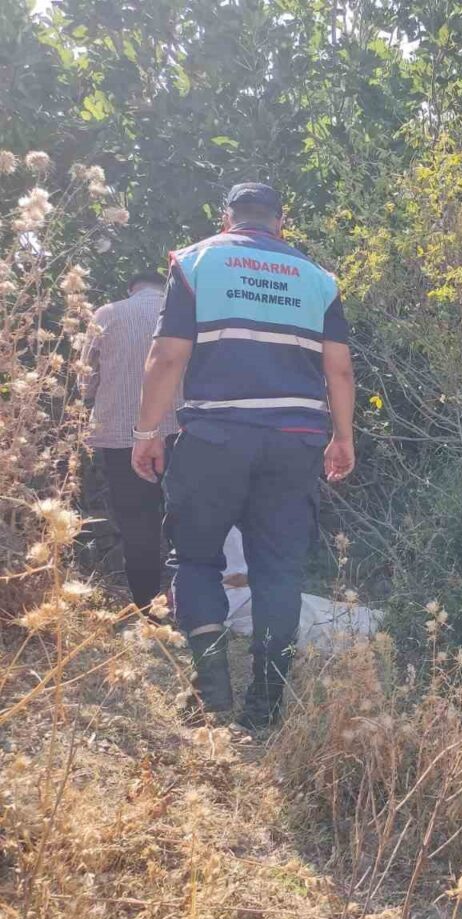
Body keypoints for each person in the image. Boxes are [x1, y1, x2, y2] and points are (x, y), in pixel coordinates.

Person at [131, 182, 356, 728]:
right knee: (279, 572)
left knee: (197, 560)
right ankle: (266, 705)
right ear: (282, 221)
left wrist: (147, 432)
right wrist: (343, 437)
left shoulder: (196, 263)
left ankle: (212, 690)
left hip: (215, 439)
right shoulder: (318, 279)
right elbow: (340, 369)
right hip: (295, 442)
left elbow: (167, 357)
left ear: (226, 217)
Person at [79, 271, 180, 614]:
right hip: (181, 433)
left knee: (138, 525)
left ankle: (147, 609)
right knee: (188, 518)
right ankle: (191, 599)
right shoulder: (186, 313)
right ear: (164, 287)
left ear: (132, 289)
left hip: (121, 435)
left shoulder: (107, 314)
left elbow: (84, 382)